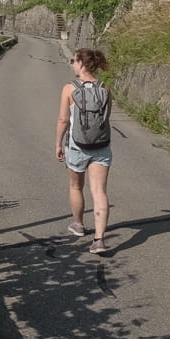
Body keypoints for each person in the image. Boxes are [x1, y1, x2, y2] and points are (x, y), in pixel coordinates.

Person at [56, 48, 112, 254]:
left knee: (76, 186)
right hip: (101, 146)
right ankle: (99, 240)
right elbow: (105, 119)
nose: (72, 63)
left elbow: (63, 120)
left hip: (76, 145)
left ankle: (78, 225)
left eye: (73, 60)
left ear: (80, 63)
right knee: (99, 191)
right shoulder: (105, 89)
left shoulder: (69, 89)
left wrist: (58, 144)